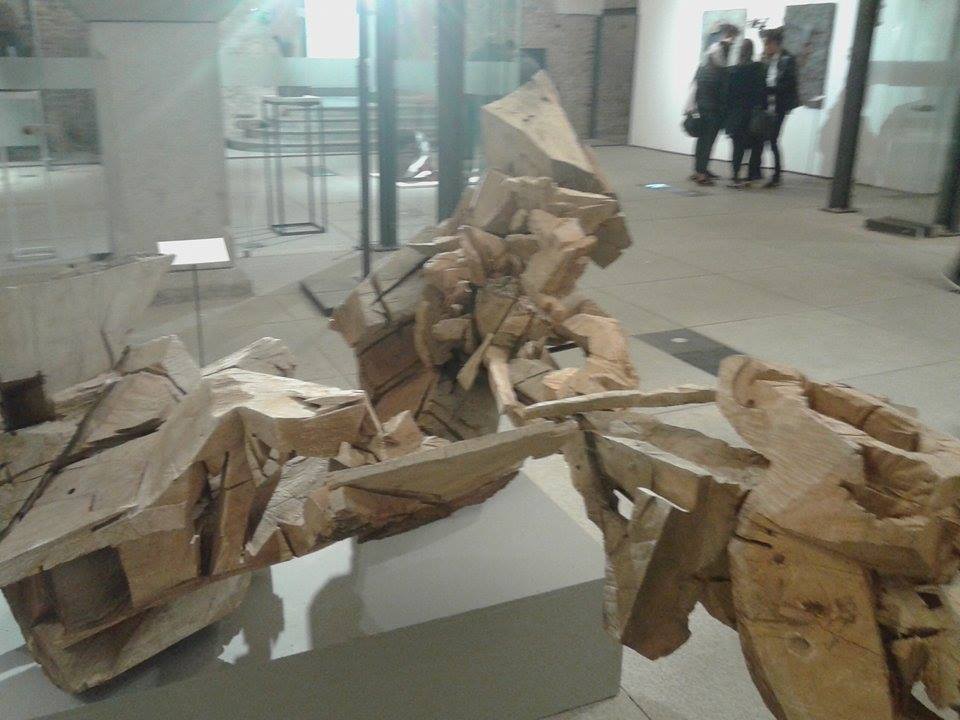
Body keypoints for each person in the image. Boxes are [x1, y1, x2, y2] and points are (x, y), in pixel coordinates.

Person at [687, 40, 731, 186]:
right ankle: (702, 174)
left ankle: (699, 170)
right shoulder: (722, 73)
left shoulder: (702, 69)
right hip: (714, 113)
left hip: (700, 110)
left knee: (701, 142)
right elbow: (724, 95)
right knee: (708, 143)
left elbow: (694, 88)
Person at [760, 26, 799, 188]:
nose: (765, 47)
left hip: (779, 105)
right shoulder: (769, 59)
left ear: (775, 44)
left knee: (773, 139)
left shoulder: (787, 60)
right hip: (768, 104)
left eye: (767, 44)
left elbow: (787, 84)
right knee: (766, 138)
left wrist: (769, 89)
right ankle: (765, 171)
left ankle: (776, 174)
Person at [724, 38, 767, 188]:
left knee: (737, 147)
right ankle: (750, 176)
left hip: (736, 114)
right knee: (754, 145)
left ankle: (735, 175)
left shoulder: (733, 71)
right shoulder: (758, 69)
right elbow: (762, 92)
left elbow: (728, 95)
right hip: (752, 113)